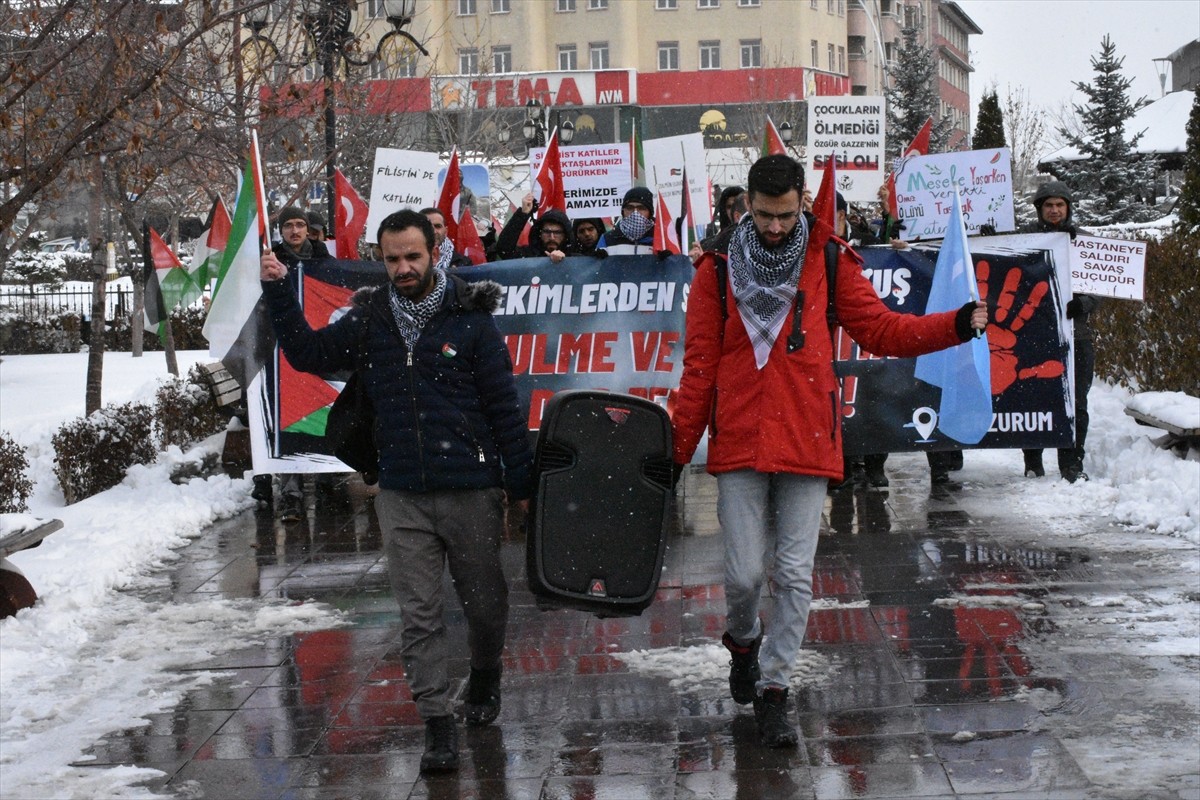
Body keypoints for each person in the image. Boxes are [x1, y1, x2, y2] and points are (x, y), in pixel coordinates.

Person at [670, 155, 988, 748]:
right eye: (762, 215)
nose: (773, 227)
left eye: (785, 215)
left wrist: (955, 325)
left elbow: (884, 330)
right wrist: (676, 450)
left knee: (793, 575)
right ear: (746, 206)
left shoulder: (830, 257)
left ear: (803, 206)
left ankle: (774, 690)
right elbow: (699, 367)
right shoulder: (714, 272)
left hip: (807, 436)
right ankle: (743, 640)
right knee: (742, 577)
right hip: (739, 436)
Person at [260, 209, 533, 773]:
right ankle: (436, 722)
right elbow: (308, 355)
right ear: (380, 259)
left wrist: (521, 480)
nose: (404, 268)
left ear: (434, 251)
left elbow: (505, 406)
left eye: (413, 256)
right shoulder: (369, 320)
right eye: (392, 260)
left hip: (471, 488)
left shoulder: (472, 322)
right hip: (401, 490)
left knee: (485, 605)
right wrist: (279, 292)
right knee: (419, 613)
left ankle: (484, 675)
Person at [250, 206, 332, 520]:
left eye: (300, 225)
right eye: (289, 226)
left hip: (319, 348)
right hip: (281, 351)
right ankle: (291, 494)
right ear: (281, 231)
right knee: (290, 420)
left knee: (320, 415)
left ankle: (326, 481)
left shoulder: (323, 261)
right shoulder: (271, 261)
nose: (295, 231)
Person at [1020, 181, 1097, 483]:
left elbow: (1103, 282)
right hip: (1032, 335)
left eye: (1060, 205)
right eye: (1048, 205)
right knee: (1032, 397)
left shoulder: (1083, 240)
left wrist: (1085, 303)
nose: (1054, 210)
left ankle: (1071, 463)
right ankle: (1032, 460)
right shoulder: (1022, 239)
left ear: (1068, 208)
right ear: (1040, 209)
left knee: (1076, 402)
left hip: (1075, 336)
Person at [494, 193, 575, 261]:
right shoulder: (528, 256)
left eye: (557, 233)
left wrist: (565, 261)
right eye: (547, 232)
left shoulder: (577, 259)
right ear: (540, 233)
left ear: (565, 235)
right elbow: (504, 249)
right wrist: (523, 214)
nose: (552, 237)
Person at [596, 187, 656, 255]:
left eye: (641, 208)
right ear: (623, 211)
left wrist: (668, 259)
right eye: (630, 208)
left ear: (650, 212)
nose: (635, 213)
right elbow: (597, 265)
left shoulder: (660, 239)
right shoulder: (607, 239)